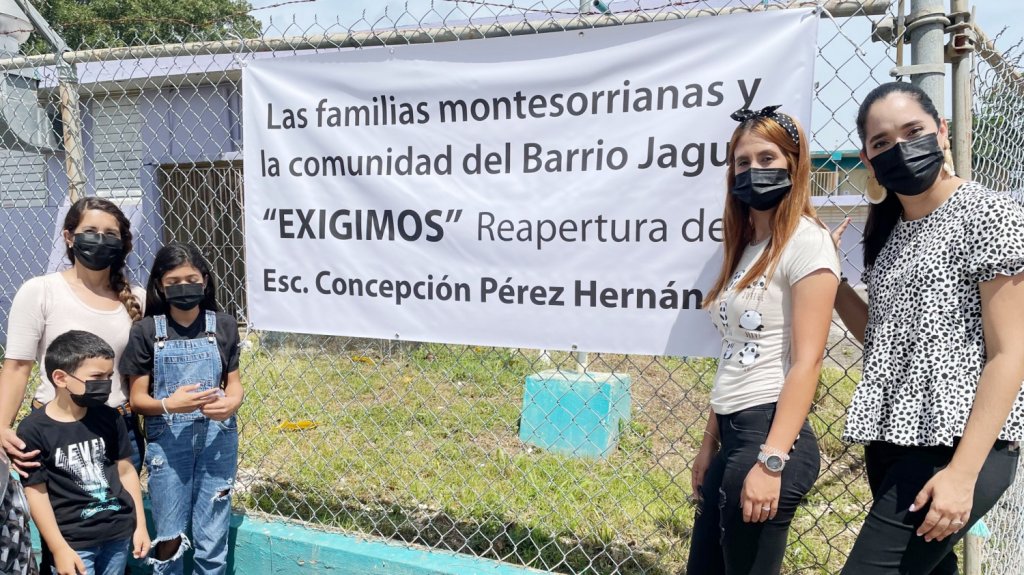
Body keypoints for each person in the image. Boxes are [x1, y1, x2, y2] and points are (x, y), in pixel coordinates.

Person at [833, 81, 1024, 574]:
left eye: (913, 131)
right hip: (892, 441)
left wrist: (963, 474)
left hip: (955, 448)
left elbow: (1010, 354)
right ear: (868, 160)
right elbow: (880, 335)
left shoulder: (990, 212)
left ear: (941, 132)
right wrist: (829, 278)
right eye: (881, 143)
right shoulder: (890, 233)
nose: (899, 148)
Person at [686, 106, 840, 575]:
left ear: (794, 164)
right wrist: (709, 444)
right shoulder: (747, 246)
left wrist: (771, 462)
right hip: (732, 434)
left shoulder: (807, 241)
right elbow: (733, 354)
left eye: (768, 159)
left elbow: (807, 362)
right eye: (742, 162)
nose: (754, 171)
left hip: (770, 432)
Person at [0, 196, 146, 475]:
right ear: (69, 237)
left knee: (120, 516)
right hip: (56, 429)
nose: (100, 240)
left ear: (121, 243)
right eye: (90, 232)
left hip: (117, 426)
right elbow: (17, 367)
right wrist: (1, 427)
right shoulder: (39, 292)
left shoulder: (138, 298)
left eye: (110, 235)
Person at [121, 242, 243, 575]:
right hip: (168, 445)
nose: (184, 287)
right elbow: (137, 400)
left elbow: (233, 382)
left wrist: (233, 402)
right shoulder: (146, 331)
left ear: (205, 280)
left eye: (191, 279)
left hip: (218, 443)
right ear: (159, 285)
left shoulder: (224, 325)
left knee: (212, 538)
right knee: (169, 536)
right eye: (173, 282)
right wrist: (167, 404)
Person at [17, 330, 150, 575]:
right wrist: (58, 548)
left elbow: (126, 471)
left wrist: (140, 525)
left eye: (109, 375)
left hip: (117, 534)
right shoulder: (33, 430)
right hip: (73, 543)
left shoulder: (110, 417)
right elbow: (36, 492)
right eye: (97, 376)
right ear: (60, 378)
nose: (106, 384)